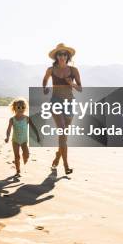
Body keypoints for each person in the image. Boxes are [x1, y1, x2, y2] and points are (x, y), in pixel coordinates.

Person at [42, 43, 82, 175]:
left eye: (65, 54)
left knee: (63, 136)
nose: (62, 56)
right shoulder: (51, 69)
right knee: (63, 131)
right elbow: (44, 80)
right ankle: (66, 166)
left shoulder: (73, 70)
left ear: (68, 56)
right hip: (56, 103)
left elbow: (80, 89)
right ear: (56, 56)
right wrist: (45, 88)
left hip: (70, 103)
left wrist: (72, 84)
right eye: (60, 54)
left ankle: (58, 156)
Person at [4, 98, 41, 177]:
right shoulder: (12, 119)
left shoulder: (27, 118)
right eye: (18, 107)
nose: (21, 109)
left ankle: (25, 159)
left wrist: (37, 135)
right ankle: (18, 170)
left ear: (25, 108)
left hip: (24, 140)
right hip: (15, 140)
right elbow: (8, 129)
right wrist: (7, 137)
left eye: (23, 107)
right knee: (17, 156)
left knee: (26, 154)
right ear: (14, 108)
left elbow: (33, 127)